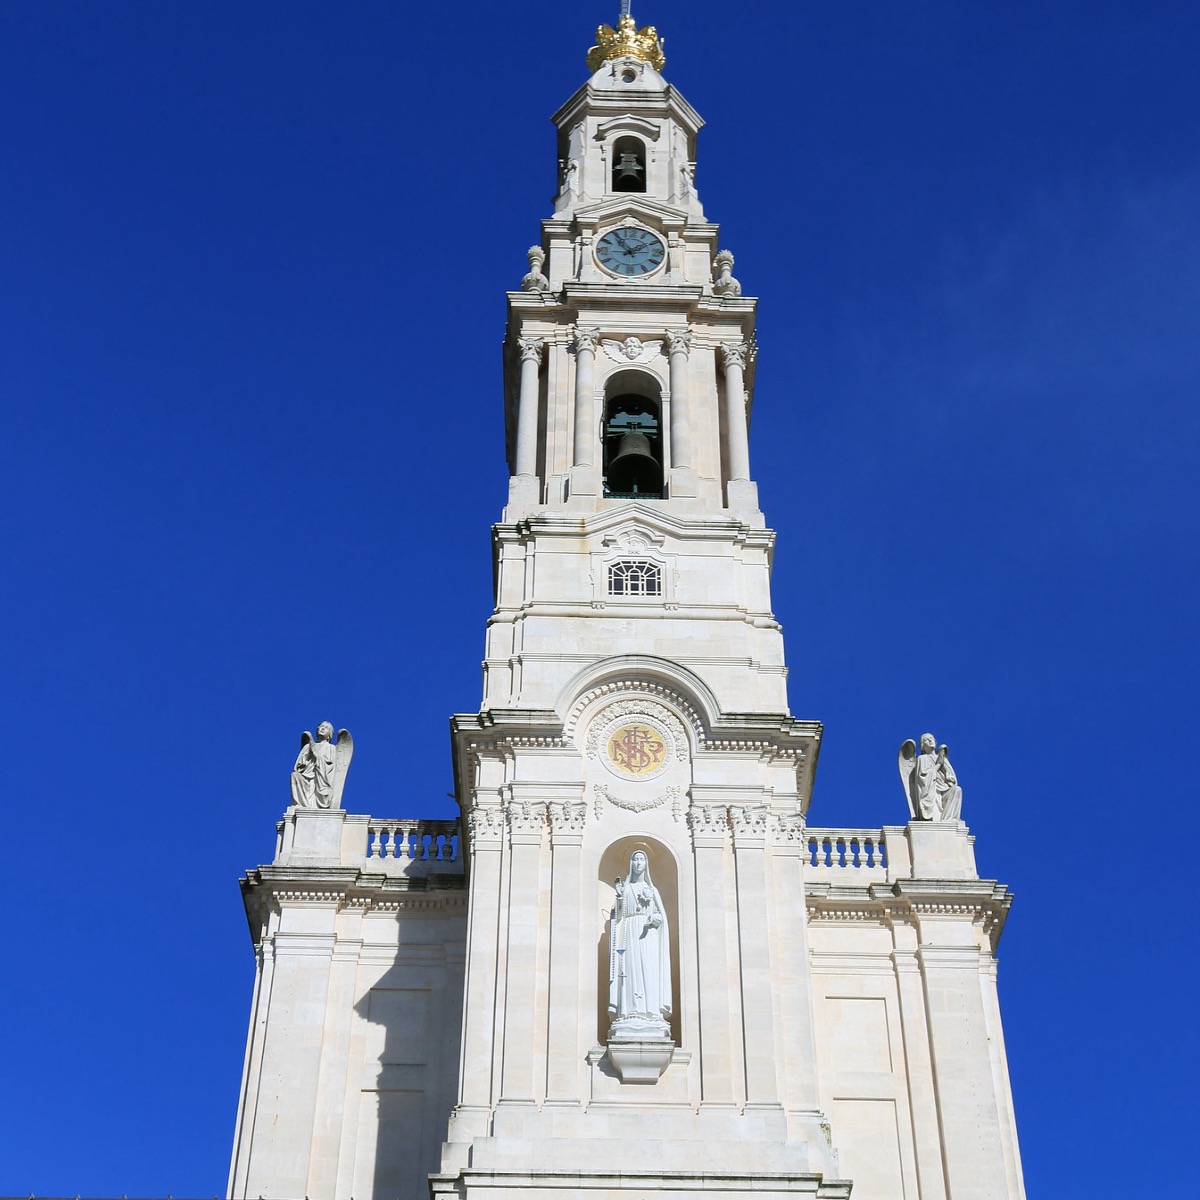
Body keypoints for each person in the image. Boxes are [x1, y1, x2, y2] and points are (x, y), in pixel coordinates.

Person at [608, 849, 672, 1026]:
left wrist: (655, 919)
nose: (638, 863)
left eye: (641, 860)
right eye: (635, 859)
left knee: (648, 969)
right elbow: (618, 916)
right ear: (630, 863)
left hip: (648, 934)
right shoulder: (625, 888)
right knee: (629, 969)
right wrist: (619, 896)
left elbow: (661, 916)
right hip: (629, 934)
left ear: (646, 864)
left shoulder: (652, 890)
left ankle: (651, 1011)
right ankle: (629, 1011)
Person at [913, 733, 962, 821]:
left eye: (932, 738)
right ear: (922, 746)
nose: (931, 740)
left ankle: (948, 820)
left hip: (944, 789)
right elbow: (923, 777)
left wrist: (947, 774)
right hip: (931, 791)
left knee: (956, 790)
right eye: (927, 740)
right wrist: (938, 765)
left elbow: (951, 778)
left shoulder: (942, 758)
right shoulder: (922, 758)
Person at [291, 721, 338, 809]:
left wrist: (316, 754)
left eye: (326, 727)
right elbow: (299, 765)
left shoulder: (331, 748)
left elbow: (329, 765)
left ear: (329, 735)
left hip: (321, 778)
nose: (323, 728)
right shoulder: (307, 747)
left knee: (323, 791)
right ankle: (301, 804)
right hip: (307, 776)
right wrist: (308, 755)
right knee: (295, 775)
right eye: (321, 726)